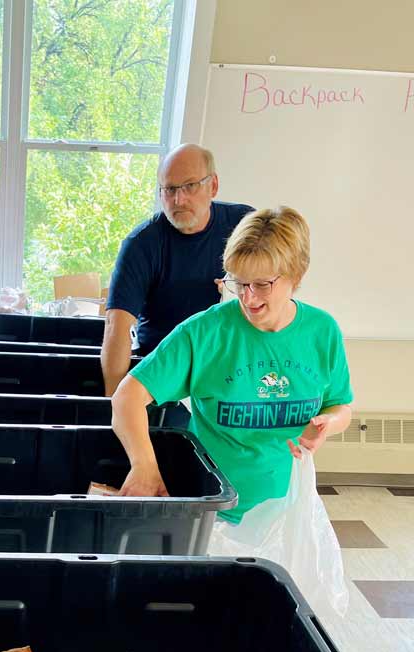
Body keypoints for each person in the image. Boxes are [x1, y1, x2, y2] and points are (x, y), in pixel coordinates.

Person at [111, 206, 353, 526]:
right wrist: (144, 465)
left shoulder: (322, 332)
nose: (248, 298)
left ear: (297, 275)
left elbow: (341, 406)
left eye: (262, 284)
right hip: (214, 512)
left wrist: (328, 422)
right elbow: (126, 397)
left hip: (290, 510)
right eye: (238, 283)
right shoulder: (205, 333)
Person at [102, 144, 254, 414]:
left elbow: (276, 291)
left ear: (213, 186)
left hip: (235, 370)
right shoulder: (142, 244)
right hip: (166, 374)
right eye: (169, 189)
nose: (178, 199)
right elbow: (117, 327)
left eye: (190, 186)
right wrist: (115, 409)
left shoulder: (244, 226)